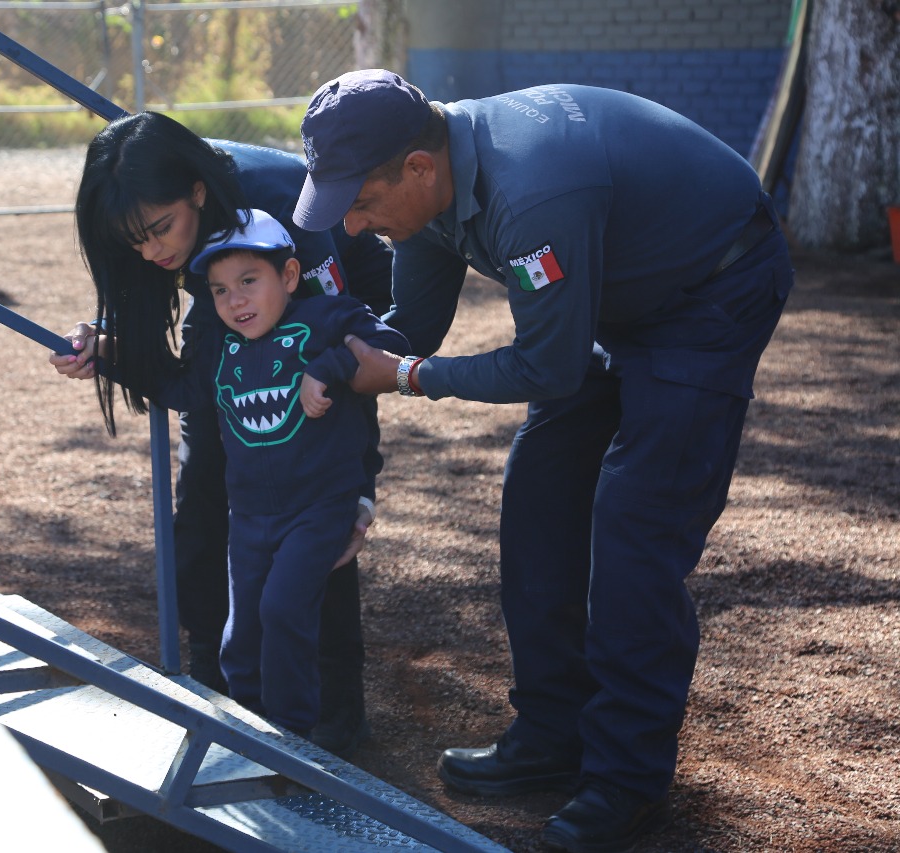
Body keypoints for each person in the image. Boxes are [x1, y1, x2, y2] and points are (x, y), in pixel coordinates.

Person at [292, 70, 795, 852]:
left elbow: (545, 368)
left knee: (634, 530)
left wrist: (409, 378)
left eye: (361, 203)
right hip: (615, 294)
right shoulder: (429, 189)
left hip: (711, 293)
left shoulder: (531, 195)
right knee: (538, 501)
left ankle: (626, 776)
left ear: (419, 169)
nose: (353, 227)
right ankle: (554, 730)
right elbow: (413, 325)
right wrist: (326, 360)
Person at [50, 111, 394, 755]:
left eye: (160, 229)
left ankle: (335, 710)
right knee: (207, 483)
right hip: (233, 288)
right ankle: (217, 679)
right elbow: (184, 371)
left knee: (309, 493)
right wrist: (108, 341)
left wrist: (358, 491)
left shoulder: (282, 209)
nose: (151, 251)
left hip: (333, 289)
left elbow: (344, 353)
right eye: (134, 240)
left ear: (199, 194)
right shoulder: (159, 236)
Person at [138, 208, 408, 735]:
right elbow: (180, 391)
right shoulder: (221, 347)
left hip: (318, 508)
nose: (235, 300)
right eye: (218, 290)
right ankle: (251, 726)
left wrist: (325, 369)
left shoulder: (324, 319)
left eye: (248, 281)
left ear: (287, 276)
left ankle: (291, 733)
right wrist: (115, 358)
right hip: (250, 516)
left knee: (284, 610)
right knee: (241, 636)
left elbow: (391, 347)